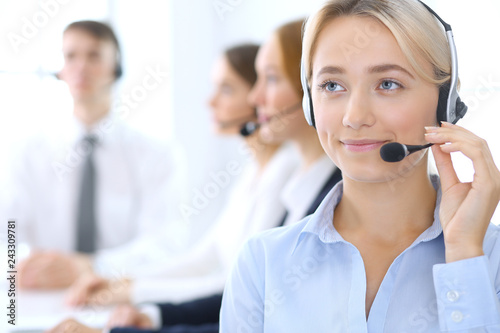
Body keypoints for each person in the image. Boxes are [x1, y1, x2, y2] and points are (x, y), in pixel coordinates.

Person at [220, 0, 500, 332]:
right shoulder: (262, 263)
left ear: (445, 101)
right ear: (310, 103)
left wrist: (464, 254)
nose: (355, 117)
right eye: (332, 86)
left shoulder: (490, 258)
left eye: (388, 84)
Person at [4, 20, 184, 290]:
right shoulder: (25, 152)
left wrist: (92, 267)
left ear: (116, 68)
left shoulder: (156, 154)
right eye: (71, 56)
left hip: (118, 299)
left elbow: (165, 243)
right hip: (38, 297)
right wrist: (15, 267)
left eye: (94, 55)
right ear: (61, 71)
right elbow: (7, 229)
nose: (81, 67)